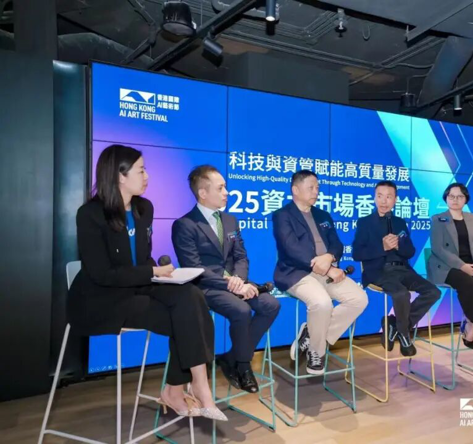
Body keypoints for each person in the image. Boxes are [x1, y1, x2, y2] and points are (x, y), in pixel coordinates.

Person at [67, 145, 225, 420]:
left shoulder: (144, 208)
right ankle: (181, 388)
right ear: (120, 176)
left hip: (138, 286)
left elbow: (142, 258)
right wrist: (152, 272)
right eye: (140, 170)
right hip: (101, 299)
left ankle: (195, 385)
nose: (147, 176)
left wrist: (161, 273)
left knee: (192, 297)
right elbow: (102, 274)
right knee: (185, 318)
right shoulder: (90, 214)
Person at [172, 165, 281, 393]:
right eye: (220, 188)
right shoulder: (185, 225)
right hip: (206, 287)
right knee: (241, 310)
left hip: (236, 282)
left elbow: (241, 256)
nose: (226, 192)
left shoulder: (230, 220)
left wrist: (239, 280)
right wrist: (230, 284)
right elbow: (194, 267)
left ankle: (232, 357)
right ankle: (243, 366)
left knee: (271, 304)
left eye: (225, 187)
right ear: (203, 193)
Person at [272, 170, 368, 375]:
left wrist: (330, 257)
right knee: (322, 303)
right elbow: (291, 249)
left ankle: (312, 333)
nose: (316, 191)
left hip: (327, 271)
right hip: (296, 273)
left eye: (317, 187)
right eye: (311, 187)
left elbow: (337, 245)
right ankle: (317, 352)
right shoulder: (282, 215)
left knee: (359, 299)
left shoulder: (323, 215)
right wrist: (326, 267)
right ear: (295, 190)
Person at [353, 181, 440, 356]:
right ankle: (405, 334)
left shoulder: (400, 222)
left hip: (403, 270)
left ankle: (396, 325)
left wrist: (399, 245)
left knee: (433, 292)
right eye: (380, 196)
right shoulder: (365, 222)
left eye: (388, 197)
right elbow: (357, 253)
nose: (383, 201)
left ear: (395, 200)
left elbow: (410, 252)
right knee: (401, 294)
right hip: (379, 272)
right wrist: (383, 247)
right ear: (374, 198)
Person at [428, 183, 473, 349]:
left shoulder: (472, 218)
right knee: (470, 285)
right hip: (447, 267)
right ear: (446, 198)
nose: (455, 200)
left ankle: (471, 325)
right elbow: (438, 249)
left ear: (466, 199)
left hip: (472, 264)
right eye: (451, 196)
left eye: (460, 196)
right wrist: (462, 266)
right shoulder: (438, 219)